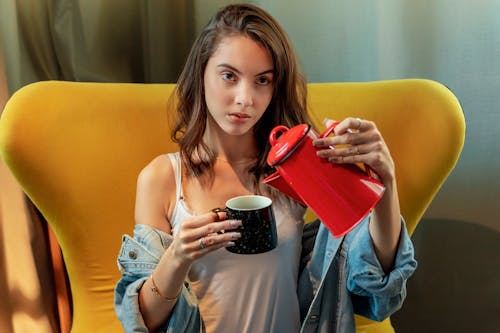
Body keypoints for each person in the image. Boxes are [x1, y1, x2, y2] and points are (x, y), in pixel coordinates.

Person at [114, 3, 417, 333]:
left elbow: (377, 284)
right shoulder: (164, 178)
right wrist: (178, 257)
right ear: (201, 73)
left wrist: (383, 180)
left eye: (262, 81)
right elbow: (143, 322)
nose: (245, 98)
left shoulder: (292, 168)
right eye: (229, 76)